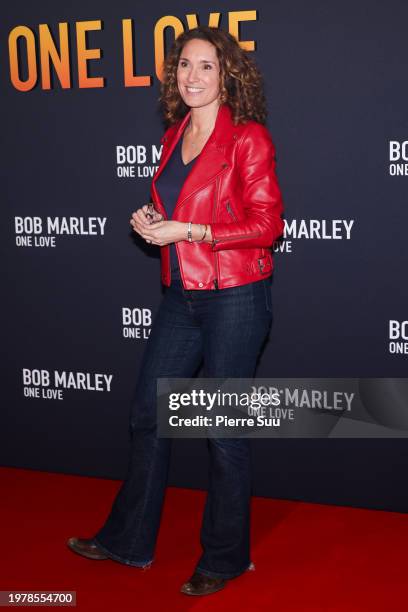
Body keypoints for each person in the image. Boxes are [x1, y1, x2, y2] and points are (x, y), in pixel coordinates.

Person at [67, 25, 284, 597]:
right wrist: (152, 223)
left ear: (227, 74)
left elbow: (268, 227)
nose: (192, 76)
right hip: (182, 294)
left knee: (223, 431)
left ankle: (226, 558)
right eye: (184, 65)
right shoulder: (175, 133)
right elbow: (180, 202)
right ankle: (127, 540)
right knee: (147, 413)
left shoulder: (247, 139)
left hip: (236, 295)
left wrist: (187, 228)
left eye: (206, 66)